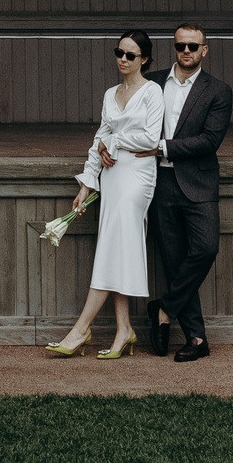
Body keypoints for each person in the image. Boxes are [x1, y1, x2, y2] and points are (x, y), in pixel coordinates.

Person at [44, 30, 163, 359]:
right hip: (111, 176)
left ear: (145, 60)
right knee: (116, 248)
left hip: (138, 176)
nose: (123, 60)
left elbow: (151, 139)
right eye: (119, 52)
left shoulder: (153, 92)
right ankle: (124, 329)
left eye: (130, 55)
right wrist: (87, 183)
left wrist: (113, 143)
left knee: (114, 246)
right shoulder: (111, 94)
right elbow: (100, 137)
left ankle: (81, 329)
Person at [147, 21, 232, 360]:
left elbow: (210, 140)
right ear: (174, 47)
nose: (186, 52)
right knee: (174, 260)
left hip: (198, 182)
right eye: (180, 46)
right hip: (158, 184)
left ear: (204, 50)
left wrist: (162, 148)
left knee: (205, 249)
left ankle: (163, 310)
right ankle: (197, 338)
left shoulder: (218, 90)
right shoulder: (151, 83)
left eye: (192, 47)